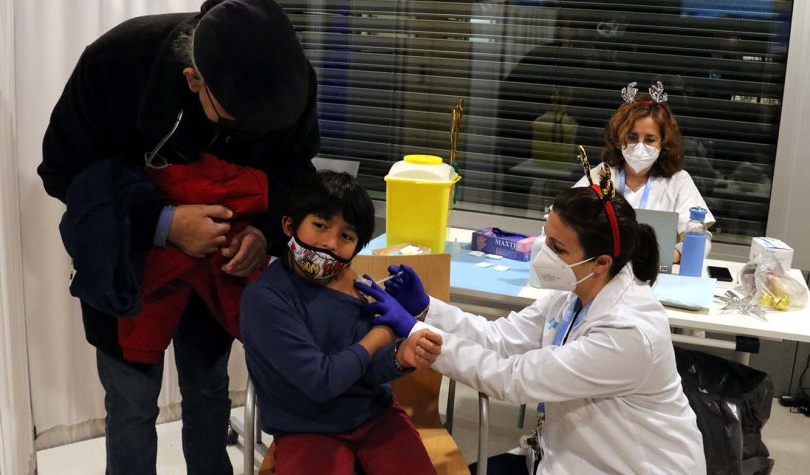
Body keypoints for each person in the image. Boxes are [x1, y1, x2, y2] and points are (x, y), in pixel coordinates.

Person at [38, 1, 319, 473]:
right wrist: (163, 223)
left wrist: (263, 235)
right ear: (193, 80)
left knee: (209, 393)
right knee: (132, 403)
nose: (254, 135)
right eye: (237, 122)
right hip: (128, 265)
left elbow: (296, 172)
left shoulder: (290, 78)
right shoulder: (119, 60)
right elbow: (62, 170)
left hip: (219, 266)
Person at [359, 180, 706, 474]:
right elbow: (501, 339)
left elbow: (514, 379)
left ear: (601, 262)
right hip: (562, 454)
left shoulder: (628, 332)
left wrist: (418, 334)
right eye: (546, 236)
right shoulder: (576, 292)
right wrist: (426, 310)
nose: (543, 252)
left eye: (557, 247)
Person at [241, 171, 442, 475]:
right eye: (320, 225)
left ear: (356, 248)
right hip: (305, 427)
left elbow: (366, 370)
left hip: (374, 415)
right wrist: (385, 332)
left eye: (346, 236)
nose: (330, 243)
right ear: (289, 225)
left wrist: (401, 357)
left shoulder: (356, 285)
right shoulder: (266, 299)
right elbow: (321, 382)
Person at [575, 81, 715, 262]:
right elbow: (560, 219)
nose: (640, 146)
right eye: (632, 138)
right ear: (619, 139)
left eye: (649, 140)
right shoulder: (601, 175)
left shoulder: (678, 181)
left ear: (663, 143)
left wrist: (672, 255)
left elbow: (699, 237)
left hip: (654, 273)